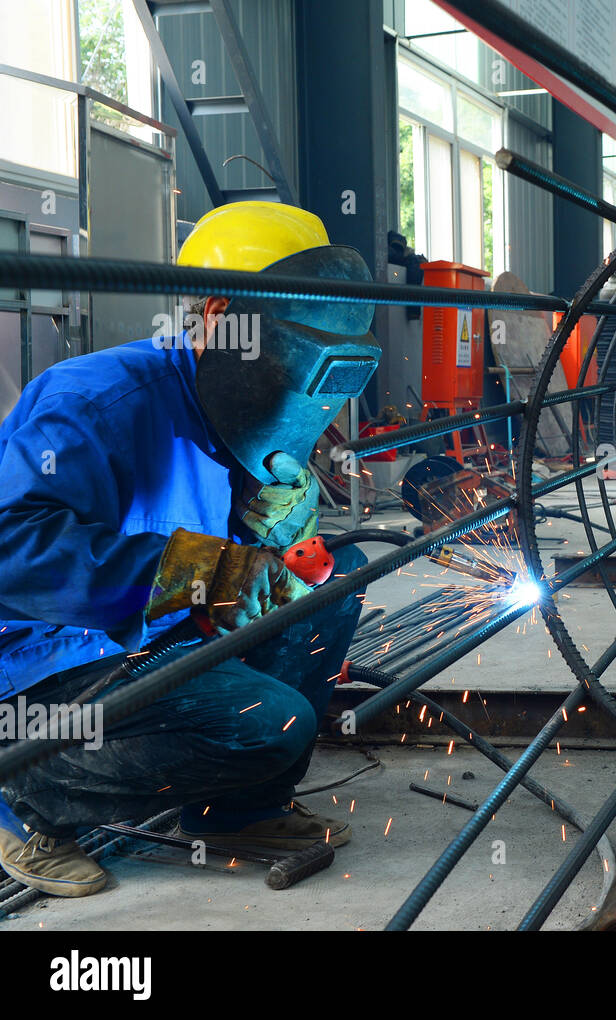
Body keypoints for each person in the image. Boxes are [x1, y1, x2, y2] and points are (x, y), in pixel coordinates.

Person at [0, 202, 380, 897]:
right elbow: (12, 548)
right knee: (272, 726)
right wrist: (199, 572)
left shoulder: (242, 394)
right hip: (50, 663)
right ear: (214, 316)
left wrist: (279, 533)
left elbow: (257, 559)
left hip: (166, 632)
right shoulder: (95, 402)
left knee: (334, 580)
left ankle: (237, 811)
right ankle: (23, 801)